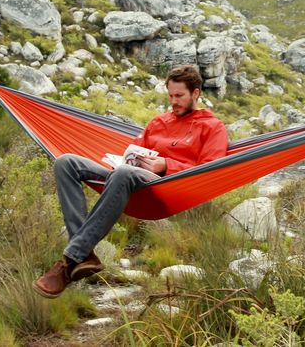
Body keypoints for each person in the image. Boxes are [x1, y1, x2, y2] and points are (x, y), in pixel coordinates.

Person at [33, 64, 229, 298]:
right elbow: (135, 151)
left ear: (195, 93)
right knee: (66, 162)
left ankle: (69, 262)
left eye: (179, 96)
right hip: (129, 178)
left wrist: (166, 165)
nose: (173, 101)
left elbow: (210, 172)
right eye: (170, 95)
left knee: (124, 173)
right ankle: (85, 255)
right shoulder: (158, 122)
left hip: (166, 188)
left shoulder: (212, 127)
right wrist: (125, 160)